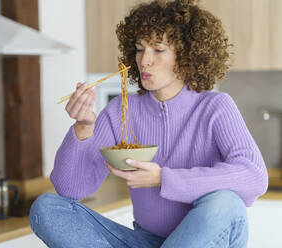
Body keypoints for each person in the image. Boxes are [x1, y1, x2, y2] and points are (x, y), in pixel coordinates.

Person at [29, 0, 268, 247]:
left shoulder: (216, 106)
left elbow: (254, 177)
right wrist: (83, 128)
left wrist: (164, 179)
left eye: (158, 50)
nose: (144, 61)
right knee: (46, 207)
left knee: (225, 202)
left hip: (205, 240)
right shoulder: (121, 111)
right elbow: (71, 189)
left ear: (187, 55)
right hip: (144, 241)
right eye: (140, 49)